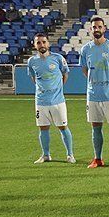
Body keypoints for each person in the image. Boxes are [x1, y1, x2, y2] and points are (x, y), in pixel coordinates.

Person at [79, 16, 109, 169]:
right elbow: (85, 69)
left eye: (99, 27)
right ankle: (98, 158)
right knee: (95, 127)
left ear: (104, 29)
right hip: (93, 95)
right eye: (94, 27)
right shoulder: (85, 49)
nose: (97, 29)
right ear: (90, 30)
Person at [27, 33, 75, 164]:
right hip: (41, 102)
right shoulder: (32, 61)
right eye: (38, 43)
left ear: (48, 43)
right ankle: (46, 155)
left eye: (43, 42)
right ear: (35, 45)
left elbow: (65, 74)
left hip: (58, 101)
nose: (41, 45)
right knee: (43, 128)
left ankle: (70, 155)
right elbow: (33, 78)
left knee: (63, 127)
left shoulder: (58, 58)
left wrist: (57, 89)